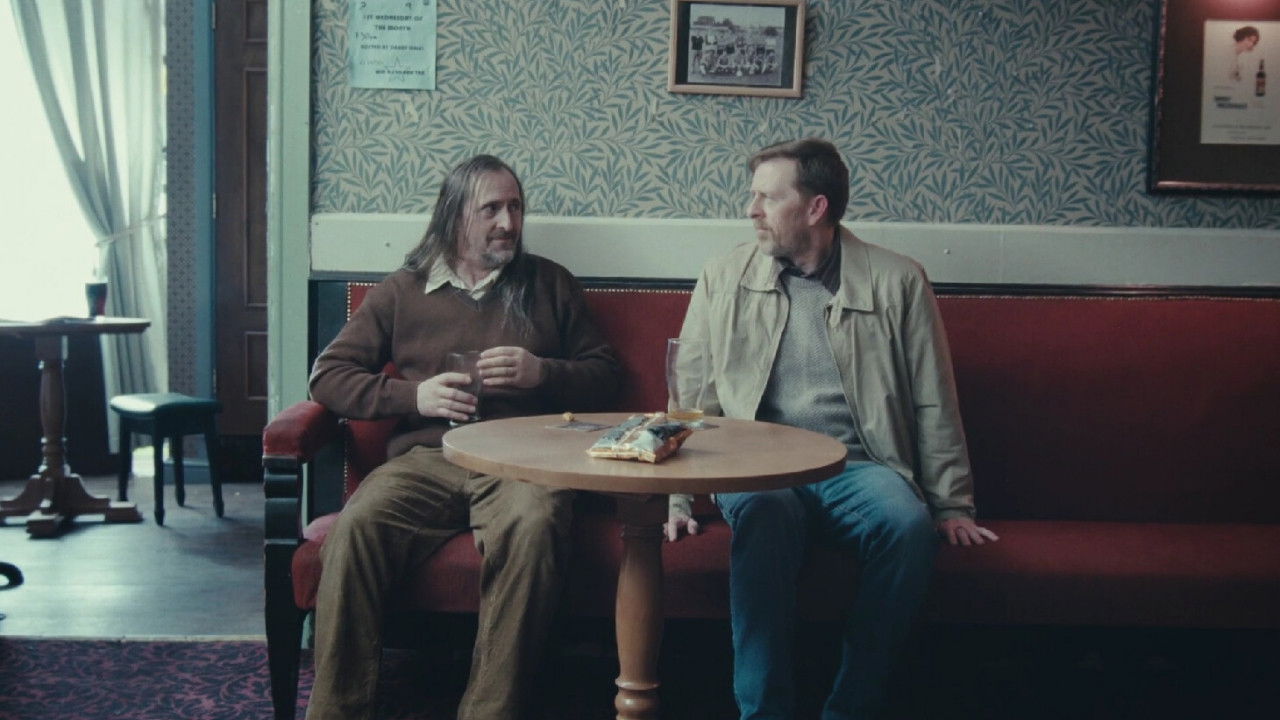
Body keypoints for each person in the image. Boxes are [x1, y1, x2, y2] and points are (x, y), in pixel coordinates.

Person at [664, 138, 998, 720]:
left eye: (768, 198)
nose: (751, 210)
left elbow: (933, 397)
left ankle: (851, 707)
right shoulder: (722, 276)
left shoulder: (899, 280)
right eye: (753, 196)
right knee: (764, 514)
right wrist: (676, 495)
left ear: (816, 207)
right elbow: (689, 394)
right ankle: (763, 713)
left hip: (859, 466)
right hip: (757, 466)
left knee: (908, 527)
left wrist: (951, 505)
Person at [306, 154, 620, 720]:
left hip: (524, 462)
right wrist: (414, 397)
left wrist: (542, 373)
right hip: (429, 457)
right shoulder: (402, 290)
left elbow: (606, 376)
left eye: (515, 207)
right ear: (454, 215)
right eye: (491, 209)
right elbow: (328, 377)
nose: (509, 222)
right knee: (355, 529)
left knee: (536, 524)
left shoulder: (550, 283)